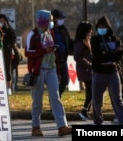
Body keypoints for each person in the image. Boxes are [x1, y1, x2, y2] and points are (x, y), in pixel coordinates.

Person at [25, 9, 71, 137]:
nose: (52, 22)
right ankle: (35, 127)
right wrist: (44, 50)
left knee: (56, 97)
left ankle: (62, 126)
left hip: (51, 69)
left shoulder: (50, 32)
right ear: (42, 20)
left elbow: (53, 53)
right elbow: (28, 53)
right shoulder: (32, 35)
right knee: (37, 100)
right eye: (49, 19)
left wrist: (58, 70)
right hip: (38, 71)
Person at [91, 15, 123, 125]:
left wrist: (107, 55)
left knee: (118, 99)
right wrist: (112, 55)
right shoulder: (95, 40)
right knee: (97, 100)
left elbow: (120, 53)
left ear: (108, 27)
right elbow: (98, 56)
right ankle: (98, 120)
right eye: (99, 26)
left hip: (113, 73)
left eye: (104, 26)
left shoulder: (115, 39)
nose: (101, 28)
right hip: (99, 73)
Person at [73, 21, 93, 120]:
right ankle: (85, 110)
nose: (91, 32)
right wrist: (88, 64)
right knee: (92, 91)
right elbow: (77, 56)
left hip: (89, 69)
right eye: (89, 31)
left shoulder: (87, 41)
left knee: (90, 91)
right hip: (85, 70)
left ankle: (86, 111)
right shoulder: (80, 43)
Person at [51, 9, 72, 98]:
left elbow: (68, 41)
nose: (62, 20)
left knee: (65, 81)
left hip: (63, 60)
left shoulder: (63, 29)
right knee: (54, 84)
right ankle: (54, 102)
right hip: (54, 61)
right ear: (54, 19)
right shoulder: (50, 30)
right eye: (60, 18)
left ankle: (57, 98)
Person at [0, 13, 18, 94]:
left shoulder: (9, 29)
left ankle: (8, 88)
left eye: (3, 20)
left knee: (8, 70)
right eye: (0, 20)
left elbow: (13, 37)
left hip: (7, 51)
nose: (1, 22)